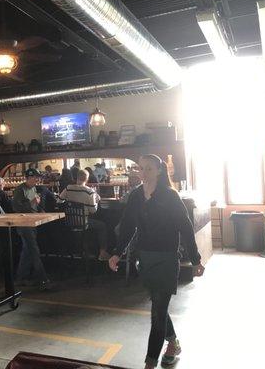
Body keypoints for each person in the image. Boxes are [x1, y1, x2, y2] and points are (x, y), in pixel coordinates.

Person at [108, 154, 205, 369]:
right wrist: (117, 253)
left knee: (157, 313)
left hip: (167, 259)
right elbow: (127, 226)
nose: (143, 173)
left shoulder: (170, 196)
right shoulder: (135, 196)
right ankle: (173, 343)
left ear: (159, 171)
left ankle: (150, 363)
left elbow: (186, 227)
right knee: (158, 306)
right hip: (145, 259)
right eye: (141, 169)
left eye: (148, 169)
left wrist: (196, 259)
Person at [12, 168, 51, 290]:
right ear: (28, 177)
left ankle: (20, 278)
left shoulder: (33, 188)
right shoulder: (20, 190)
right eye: (35, 177)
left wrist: (40, 210)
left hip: (33, 222)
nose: (38, 180)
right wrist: (33, 202)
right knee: (34, 250)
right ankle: (43, 280)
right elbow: (16, 208)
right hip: (24, 224)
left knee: (27, 251)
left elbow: (34, 205)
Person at [60, 170, 110, 261]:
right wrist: (96, 200)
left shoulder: (68, 188)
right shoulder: (89, 191)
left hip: (69, 221)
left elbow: (59, 201)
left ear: (77, 177)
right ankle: (102, 253)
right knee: (102, 226)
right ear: (87, 179)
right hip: (84, 222)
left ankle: (77, 251)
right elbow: (93, 210)